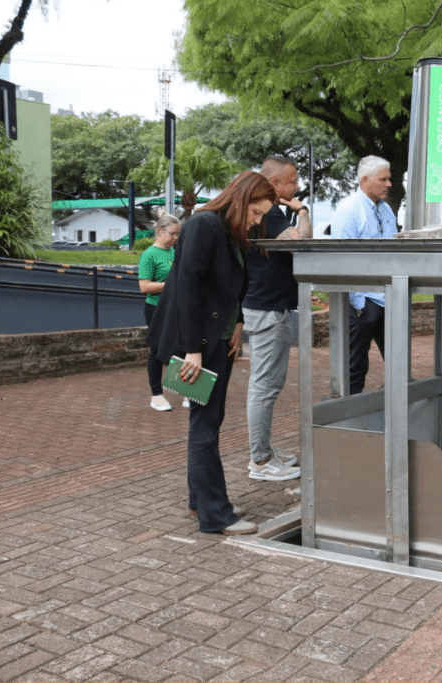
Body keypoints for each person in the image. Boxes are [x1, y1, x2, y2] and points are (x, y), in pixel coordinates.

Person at [147, 170, 277, 536]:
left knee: (206, 420)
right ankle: (215, 514)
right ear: (241, 199)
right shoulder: (204, 225)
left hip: (219, 339)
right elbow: (187, 284)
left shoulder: (226, 229)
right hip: (201, 344)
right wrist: (193, 350)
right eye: (255, 213)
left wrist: (237, 323)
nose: (256, 221)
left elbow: (231, 284)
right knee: (205, 424)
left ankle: (200, 499)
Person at [243, 156, 311, 482]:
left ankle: (265, 453)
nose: (296, 186)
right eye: (292, 180)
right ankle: (260, 462)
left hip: (269, 309)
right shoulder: (269, 212)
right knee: (264, 387)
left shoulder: (269, 212)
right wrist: (302, 210)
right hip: (268, 311)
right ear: (275, 184)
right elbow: (301, 243)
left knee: (267, 385)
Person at [330, 155, 398, 394]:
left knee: (399, 361)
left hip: (387, 298)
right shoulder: (349, 211)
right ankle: (346, 419)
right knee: (355, 366)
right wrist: (359, 303)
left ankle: (401, 414)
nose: (389, 184)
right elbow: (340, 259)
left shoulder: (387, 209)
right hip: (362, 302)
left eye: (389, 179)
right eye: (384, 179)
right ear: (365, 180)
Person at [139, 215, 181, 411]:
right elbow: (144, 286)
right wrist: (170, 286)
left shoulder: (175, 253)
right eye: (172, 233)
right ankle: (156, 395)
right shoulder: (149, 255)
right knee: (156, 351)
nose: (175, 238)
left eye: (178, 234)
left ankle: (187, 392)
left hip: (176, 308)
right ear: (160, 231)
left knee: (183, 348)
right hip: (156, 308)